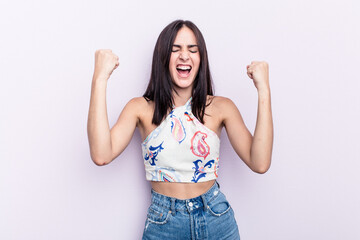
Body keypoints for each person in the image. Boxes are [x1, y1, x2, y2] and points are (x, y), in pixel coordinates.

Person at [87, 19, 273, 239]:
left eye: (192, 50)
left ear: (200, 59)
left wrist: (263, 89)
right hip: (164, 223)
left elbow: (260, 163)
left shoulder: (222, 107)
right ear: (163, 58)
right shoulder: (140, 108)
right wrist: (99, 79)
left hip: (216, 218)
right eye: (176, 49)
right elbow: (101, 155)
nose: (185, 55)